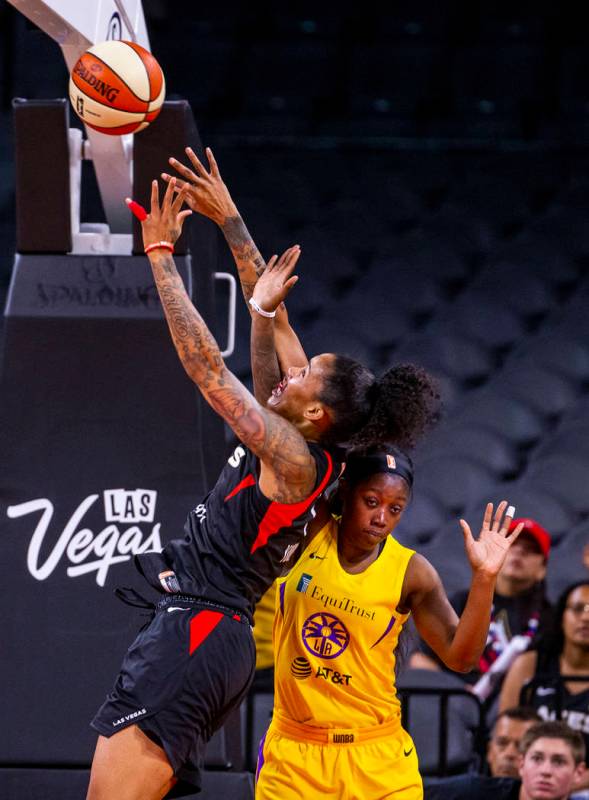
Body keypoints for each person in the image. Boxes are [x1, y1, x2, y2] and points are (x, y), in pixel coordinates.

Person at [86, 178, 440, 800]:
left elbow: (206, 367)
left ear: (316, 415)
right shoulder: (305, 439)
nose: (292, 368)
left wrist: (161, 256)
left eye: (306, 373)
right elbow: (271, 311)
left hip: (197, 632)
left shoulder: (296, 462)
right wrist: (230, 221)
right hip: (204, 633)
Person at [250, 439, 524, 800]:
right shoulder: (309, 531)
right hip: (295, 754)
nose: (381, 518)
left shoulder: (412, 572)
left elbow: (462, 658)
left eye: (395, 509)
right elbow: (278, 453)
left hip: (376, 755)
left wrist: (485, 579)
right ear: (346, 491)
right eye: (372, 502)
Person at [410, 518, 553, 704]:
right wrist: (459, 693)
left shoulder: (549, 618)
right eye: (512, 544)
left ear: (542, 569)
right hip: (454, 702)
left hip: (513, 706)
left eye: (531, 549)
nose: (519, 552)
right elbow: (420, 660)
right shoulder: (463, 601)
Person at [499, 581, 589, 790]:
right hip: (528, 784)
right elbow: (506, 736)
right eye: (577, 609)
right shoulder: (529, 665)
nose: (586, 617)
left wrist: (564, 785)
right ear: (561, 617)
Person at [425, 720, 586, 800]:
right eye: (537, 758)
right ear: (521, 764)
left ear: (578, 772)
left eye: (558, 762)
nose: (545, 771)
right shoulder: (471, 792)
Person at [487, 708, 542, 778]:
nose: (509, 754)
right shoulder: (470, 787)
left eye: (521, 746)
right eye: (502, 743)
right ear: (489, 751)